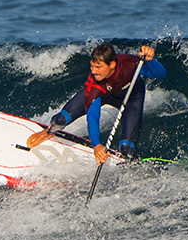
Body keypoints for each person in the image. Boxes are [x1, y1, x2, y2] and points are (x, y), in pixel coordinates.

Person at [26, 44, 166, 164]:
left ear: (112, 65)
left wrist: (151, 61)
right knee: (60, 120)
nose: (93, 71)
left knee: (127, 150)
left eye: (98, 67)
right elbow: (92, 116)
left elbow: (161, 74)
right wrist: (97, 145)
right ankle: (48, 132)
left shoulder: (129, 63)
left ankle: (136, 163)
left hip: (131, 98)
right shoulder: (94, 83)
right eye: (92, 66)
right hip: (103, 94)